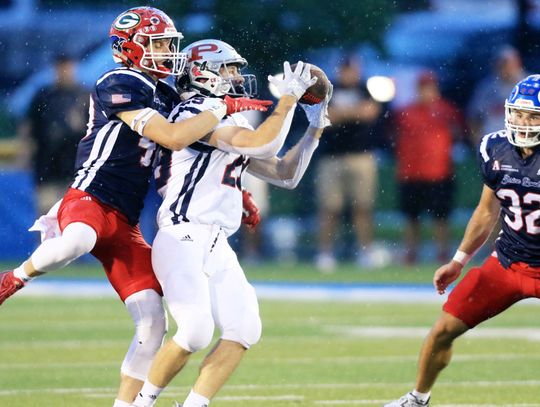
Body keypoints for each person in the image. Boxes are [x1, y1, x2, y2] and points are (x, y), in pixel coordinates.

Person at [0, 8, 271, 407]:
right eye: (158, 43)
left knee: (153, 322)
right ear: (130, 47)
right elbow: (174, 137)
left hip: (125, 221)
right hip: (92, 196)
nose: (167, 51)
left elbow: (190, 156)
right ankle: (15, 277)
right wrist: (221, 107)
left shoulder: (167, 93)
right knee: (76, 239)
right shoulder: (120, 80)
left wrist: (237, 190)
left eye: (168, 44)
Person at [130, 39, 331, 407]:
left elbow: (285, 173)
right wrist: (287, 99)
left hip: (215, 240)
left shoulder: (226, 116)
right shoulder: (194, 112)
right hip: (183, 234)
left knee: (245, 328)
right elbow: (262, 145)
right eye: (229, 68)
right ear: (203, 73)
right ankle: (140, 403)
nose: (237, 76)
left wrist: (314, 127)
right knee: (194, 332)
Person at [384, 74, 540, 407]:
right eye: (518, 114)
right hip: (508, 263)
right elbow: (487, 211)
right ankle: (417, 398)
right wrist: (459, 259)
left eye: (532, 116)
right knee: (443, 330)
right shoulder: (496, 147)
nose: (523, 123)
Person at [314, 56, 388, 272]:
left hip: (361, 156)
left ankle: (366, 251)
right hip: (332, 157)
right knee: (329, 208)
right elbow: (325, 116)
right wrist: (354, 113)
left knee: (363, 207)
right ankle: (325, 253)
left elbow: (371, 112)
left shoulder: (368, 88)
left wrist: (343, 115)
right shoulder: (328, 90)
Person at [393, 71, 468, 264]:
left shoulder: (447, 110)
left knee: (441, 217)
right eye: (423, 87)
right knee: (411, 218)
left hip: (439, 172)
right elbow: (393, 138)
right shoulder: (405, 112)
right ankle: (410, 255)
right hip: (411, 173)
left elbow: (460, 134)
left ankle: (443, 255)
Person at [18, 54, 89, 215]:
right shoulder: (44, 95)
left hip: (76, 167)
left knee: (74, 218)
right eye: (61, 67)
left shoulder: (84, 96)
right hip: (47, 166)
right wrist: (25, 151)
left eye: (68, 67)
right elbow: (28, 126)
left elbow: (96, 130)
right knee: (47, 218)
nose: (64, 71)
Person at [467, 45, 527, 145]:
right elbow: (474, 116)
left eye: (508, 63)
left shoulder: (532, 84)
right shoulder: (486, 88)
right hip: (494, 145)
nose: (506, 68)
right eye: (502, 64)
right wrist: (477, 141)